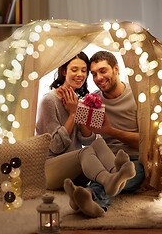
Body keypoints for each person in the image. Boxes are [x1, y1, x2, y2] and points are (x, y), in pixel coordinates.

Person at [35, 52, 136, 213]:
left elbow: (87, 140)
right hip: (51, 171)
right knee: (86, 151)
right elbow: (55, 146)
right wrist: (74, 114)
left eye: (84, 71)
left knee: (98, 142)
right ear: (64, 71)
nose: (80, 75)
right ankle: (108, 180)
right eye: (74, 69)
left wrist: (83, 111)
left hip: (77, 172)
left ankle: (116, 175)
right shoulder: (49, 100)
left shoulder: (79, 100)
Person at [63, 51, 145, 217]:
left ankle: (88, 195)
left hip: (133, 160)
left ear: (116, 69)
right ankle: (90, 198)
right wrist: (79, 115)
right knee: (104, 173)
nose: (98, 78)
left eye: (102, 71)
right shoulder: (94, 99)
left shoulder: (137, 96)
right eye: (93, 74)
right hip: (105, 157)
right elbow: (87, 138)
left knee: (123, 175)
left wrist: (109, 131)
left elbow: (144, 143)